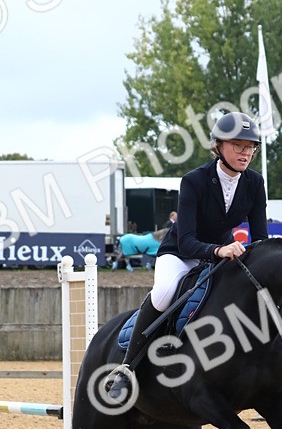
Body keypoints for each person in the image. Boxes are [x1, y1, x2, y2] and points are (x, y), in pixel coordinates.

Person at [106, 111, 269, 402]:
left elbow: (260, 237)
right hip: (181, 252)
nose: (246, 153)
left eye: (251, 147)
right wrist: (219, 250)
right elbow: (188, 239)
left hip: (220, 253)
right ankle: (126, 369)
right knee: (165, 292)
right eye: (239, 146)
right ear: (219, 145)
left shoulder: (254, 183)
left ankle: (265, 381)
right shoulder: (194, 181)